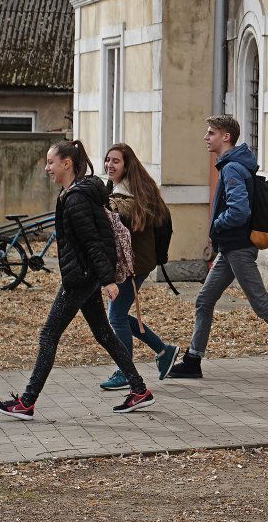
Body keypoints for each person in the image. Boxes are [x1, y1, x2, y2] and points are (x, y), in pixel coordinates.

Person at [0, 140, 154, 420]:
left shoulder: (76, 198)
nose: (47, 168)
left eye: (51, 162)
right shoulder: (75, 193)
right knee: (103, 333)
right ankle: (139, 390)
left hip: (81, 277)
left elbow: (93, 242)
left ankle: (27, 402)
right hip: (85, 275)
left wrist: (107, 280)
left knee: (48, 335)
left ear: (67, 163)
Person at [166, 115, 268, 380]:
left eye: (211, 133)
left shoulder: (232, 169)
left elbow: (239, 211)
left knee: (261, 305)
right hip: (231, 250)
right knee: (204, 300)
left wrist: (217, 224)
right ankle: (193, 360)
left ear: (225, 137)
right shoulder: (234, 165)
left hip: (238, 248)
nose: (206, 138)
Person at [98, 142, 180, 389]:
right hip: (134, 262)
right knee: (119, 314)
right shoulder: (122, 188)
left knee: (116, 316)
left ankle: (125, 372)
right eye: (107, 160)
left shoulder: (130, 195)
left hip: (133, 264)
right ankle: (164, 351)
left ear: (127, 164)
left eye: (115, 161)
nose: (109, 165)